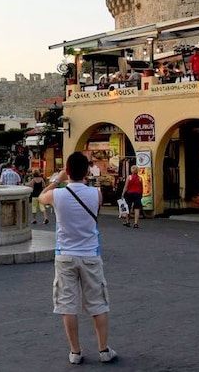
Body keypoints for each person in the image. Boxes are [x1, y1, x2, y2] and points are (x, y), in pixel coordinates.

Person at [38, 152, 117, 365]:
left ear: (68, 171)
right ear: (87, 172)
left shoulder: (58, 195)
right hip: (90, 254)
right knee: (98, 303)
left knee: (67, 305)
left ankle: (75, 351)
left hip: (65, 255)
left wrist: (58, 179)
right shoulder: (96, 194)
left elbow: (40, 197)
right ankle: (103, 349)